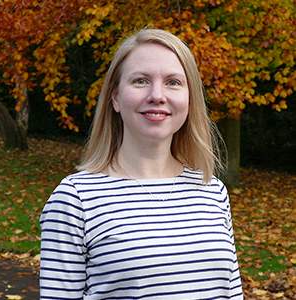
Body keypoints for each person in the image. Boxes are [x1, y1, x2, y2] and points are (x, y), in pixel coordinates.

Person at [40, 28, 243, 300]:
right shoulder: (76, 198)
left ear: (190, 98)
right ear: (115, 97)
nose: (157, 95)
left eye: (173, 82)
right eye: (140, 81)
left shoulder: (212, 191)